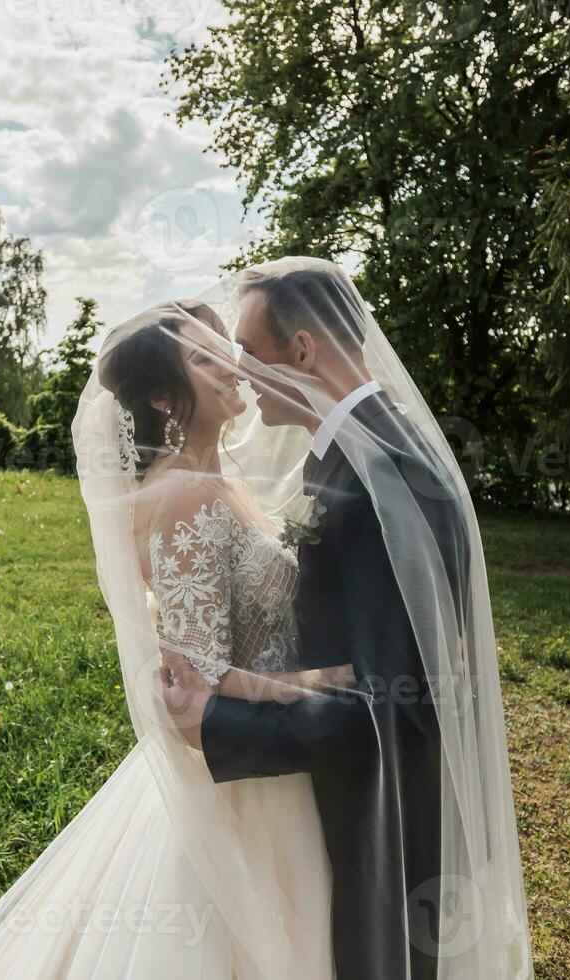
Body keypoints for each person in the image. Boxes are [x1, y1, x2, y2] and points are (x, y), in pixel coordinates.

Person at [0, 296, 342, 980]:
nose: (233, 367)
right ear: (161, 394)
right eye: (205, 358)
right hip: (244, 780)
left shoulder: (217, 481)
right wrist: (320, 685)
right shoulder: (181, 495)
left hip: (275, 756)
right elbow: (198, 672)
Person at [158, 257, 533, 980]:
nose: (239, 372)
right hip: (361, 795)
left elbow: (388, 705)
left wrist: (214, 721)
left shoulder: (382, 478)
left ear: (302, 350)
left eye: (249, 351)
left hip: (388, 819)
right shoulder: (353, 454)